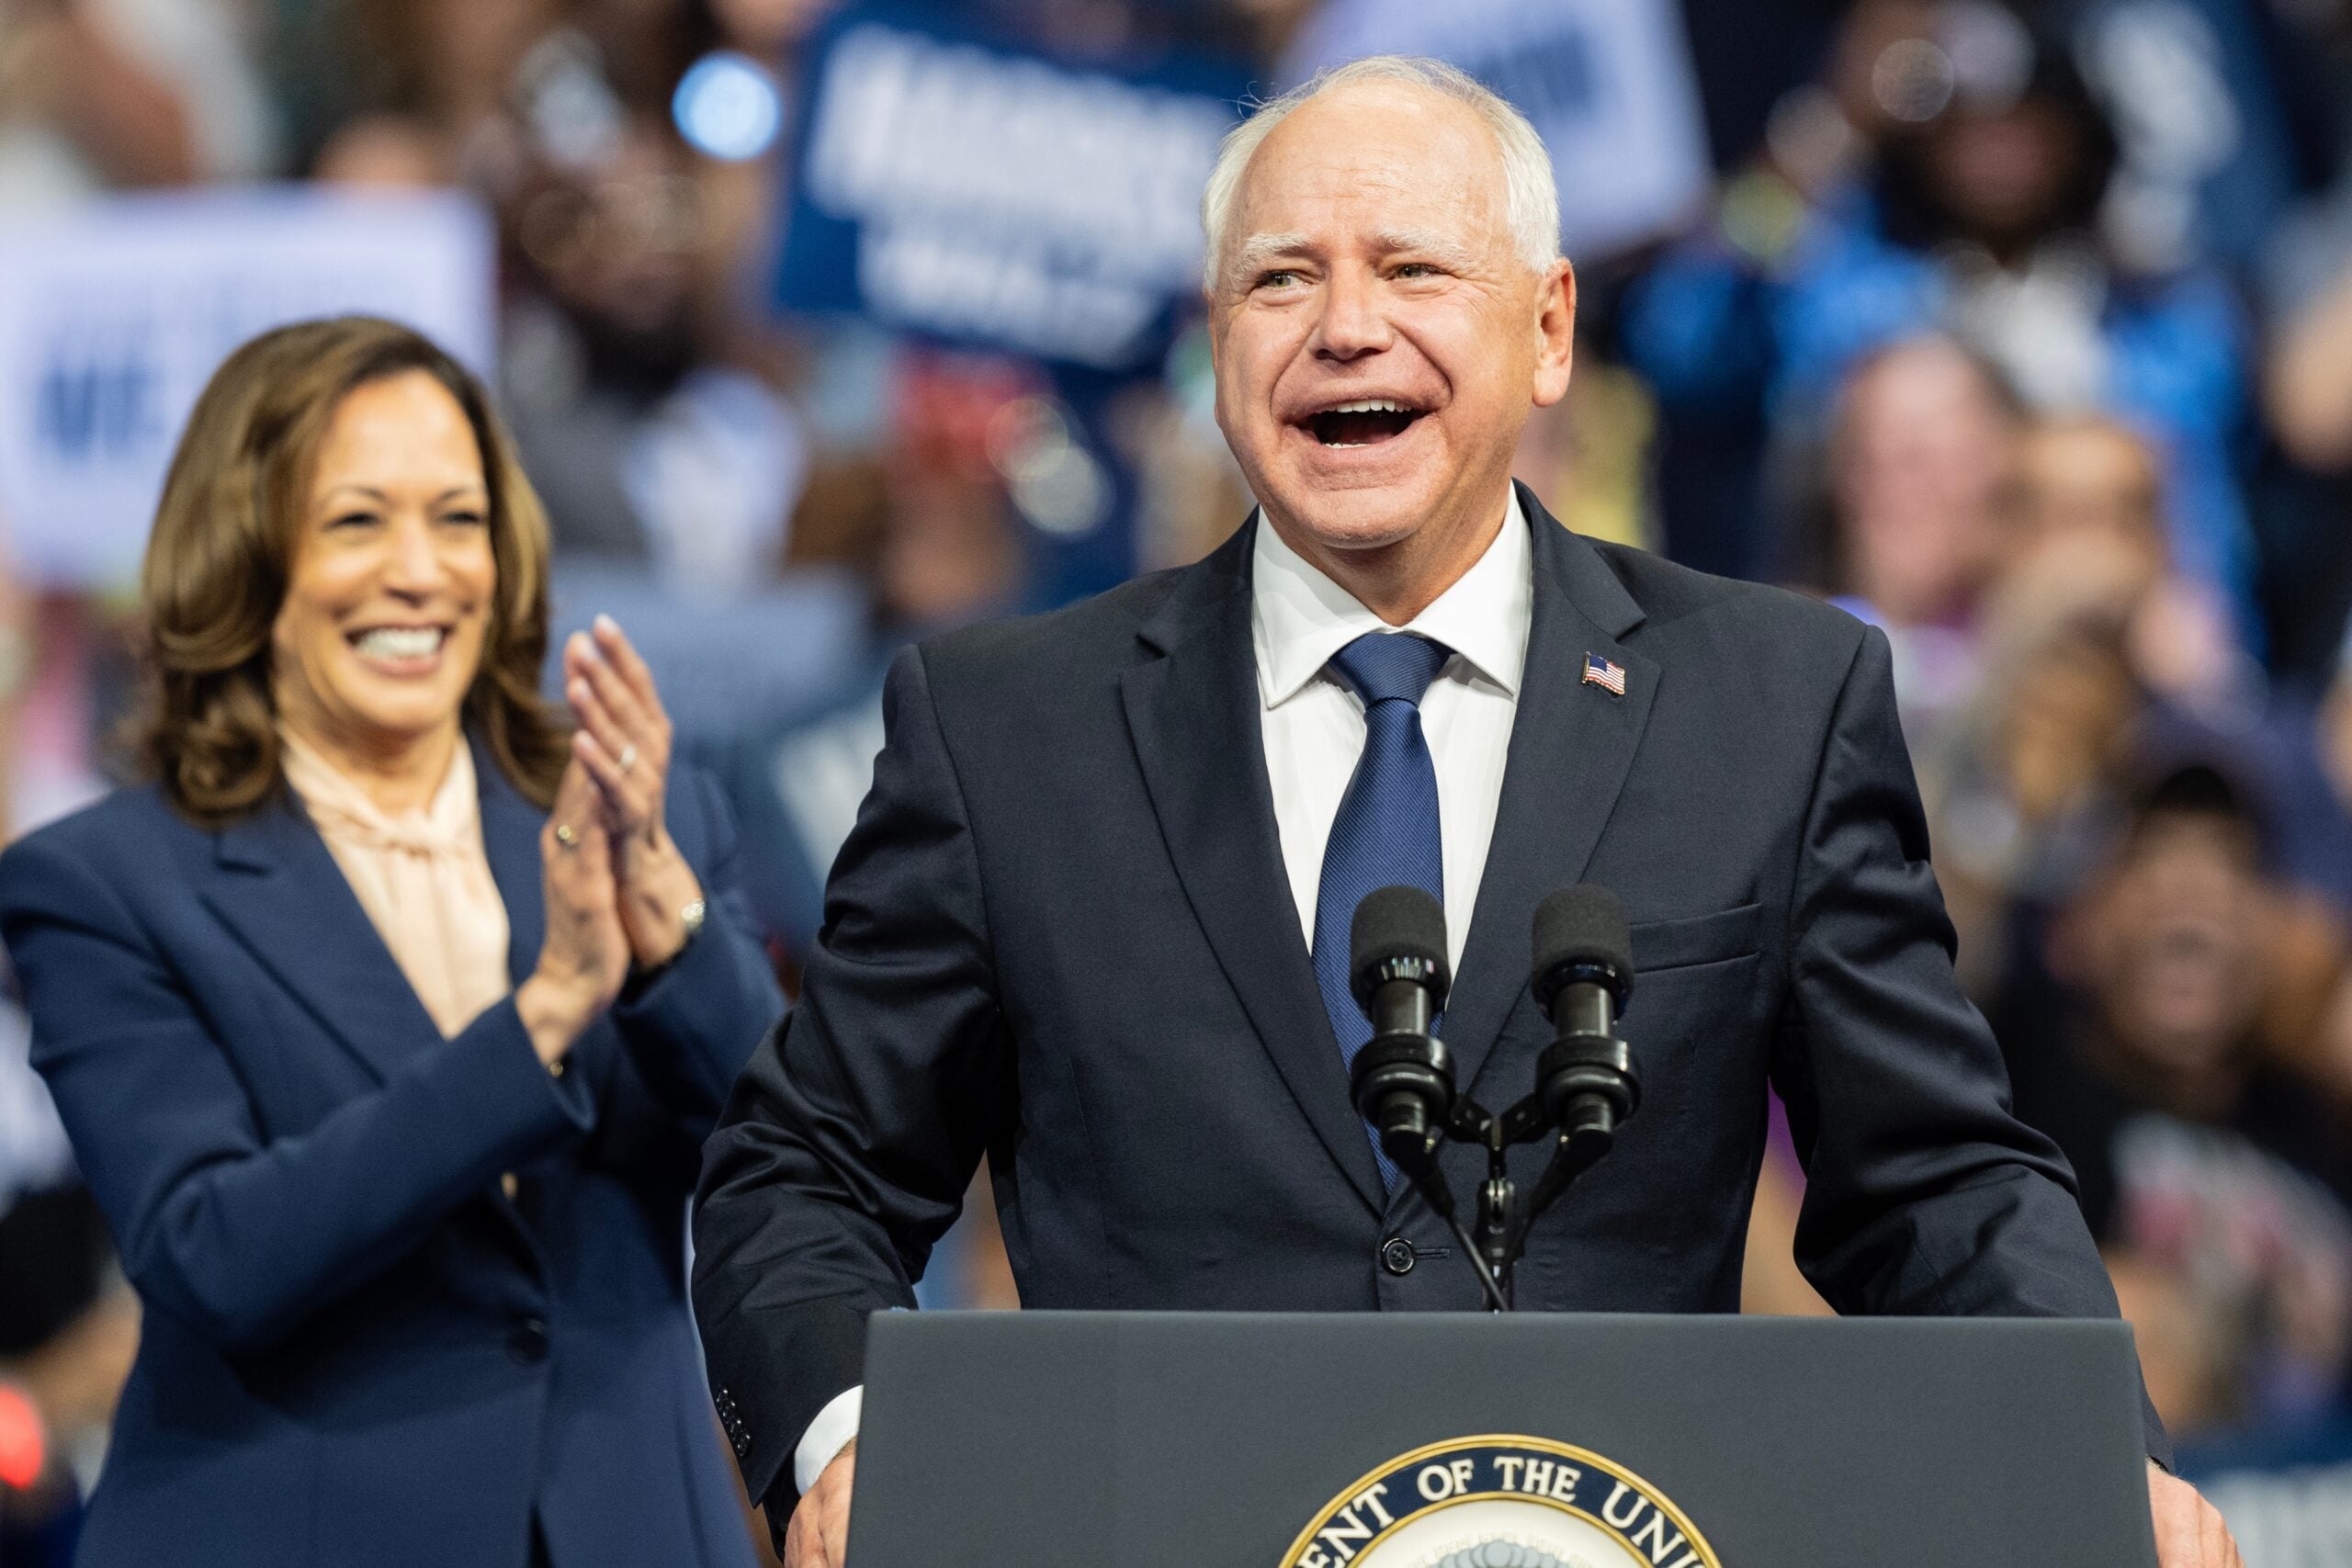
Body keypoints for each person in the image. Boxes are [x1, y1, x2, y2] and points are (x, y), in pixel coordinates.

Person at [690, 57, 2243, 1567]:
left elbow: (1938, 1184)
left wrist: (2103, 1453)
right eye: (1280, 280)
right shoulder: (1008, 728)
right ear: (1217, 336)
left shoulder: (1770, 701)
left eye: (1414, 267)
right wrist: (842, 1435)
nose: (1346, 330)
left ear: (1550, 327)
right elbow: (806, 1169)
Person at [0, 317, 784, 1568]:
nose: (419, 571)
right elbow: (216, 1255)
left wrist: (674, 927)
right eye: (357, 522)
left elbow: (787, 1154)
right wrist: (541, 1022)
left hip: (630, 1528)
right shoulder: (105, 883)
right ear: (246, 552)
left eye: (458, 520)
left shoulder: (648, 804)